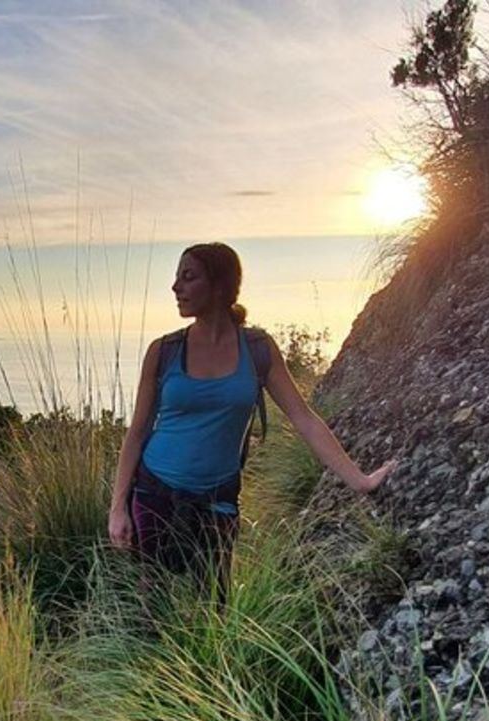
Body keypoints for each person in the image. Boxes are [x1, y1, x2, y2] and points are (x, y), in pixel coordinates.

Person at [107, 242, 399, 610]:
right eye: (177, 277)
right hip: (154, 492)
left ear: (220, 286)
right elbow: (137, 432)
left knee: (214, 605)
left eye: (188, 277)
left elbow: (304, 419)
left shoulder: (258, 349)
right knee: (152, 604)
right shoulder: (163, 351)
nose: (175, 287)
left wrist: (360, 480)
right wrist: (117, 508)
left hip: (217, 498)